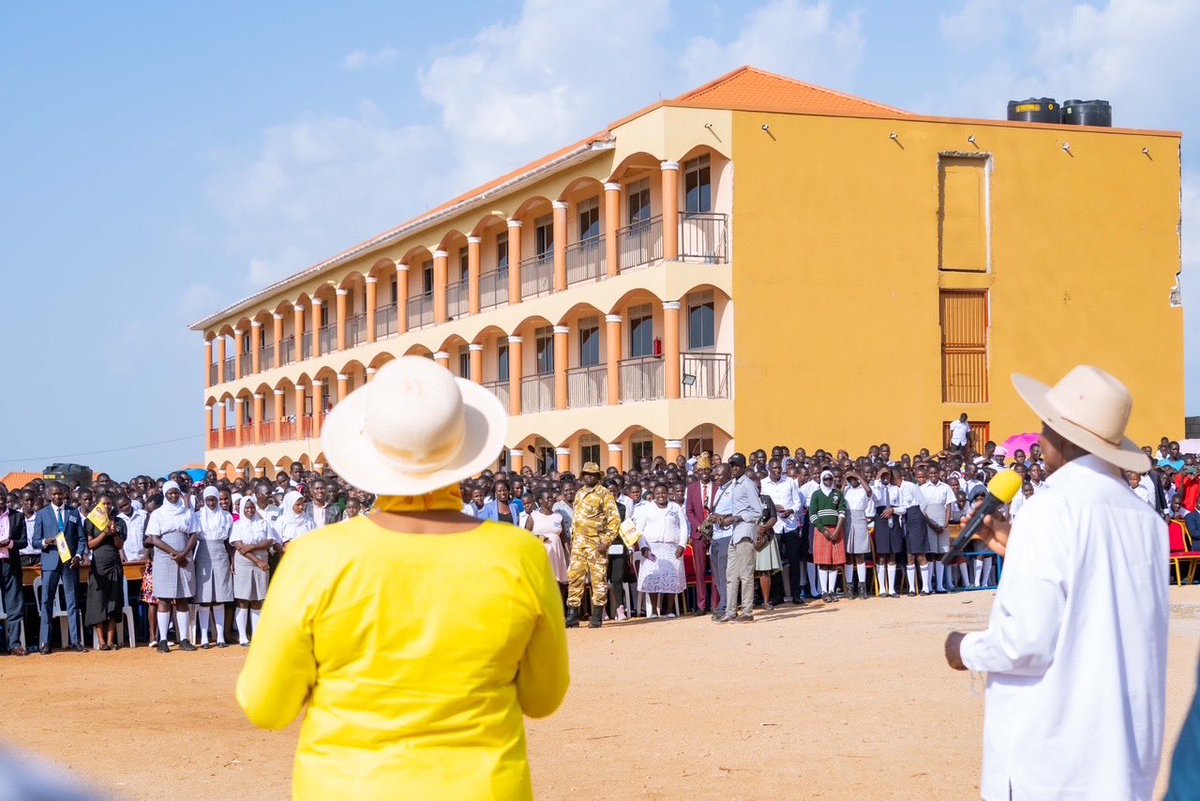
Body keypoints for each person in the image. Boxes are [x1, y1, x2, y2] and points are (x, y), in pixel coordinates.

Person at [236, 356, 568, 801]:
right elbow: (543, 697)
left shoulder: (314, 558)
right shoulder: (520, 555)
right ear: (464, 444)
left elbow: (267, 705)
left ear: (369, 451)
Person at [944, 366, 1169, 801]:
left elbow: (1025, 643)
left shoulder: (1051, 508)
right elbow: (1099, 600)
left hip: (1053, 765)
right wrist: (1019, 550)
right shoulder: (1146, 521)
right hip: (1123, 763)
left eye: (1045, 424)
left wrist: (962, 649)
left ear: (1061, 437)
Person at [144, 480, 200, 653]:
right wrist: (174, 553)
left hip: (184, 556)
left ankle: (183, 639)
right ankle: (162, 640)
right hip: (165, 557)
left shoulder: (188, 513)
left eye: (176, 493)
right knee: (164, 599)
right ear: (165, 495)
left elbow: (194, 535)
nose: (174, 496)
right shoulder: (158, 514)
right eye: (170, 493)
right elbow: (153, 538)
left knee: (183, 598)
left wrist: (183, 554)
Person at [31, 481, 87, 653]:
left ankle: (76, 641)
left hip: (70, 562)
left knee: (72, 601)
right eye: (54, 494)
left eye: (60, 494)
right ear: (48, 495)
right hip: (50, 561)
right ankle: (45, 643)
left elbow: (81, 539)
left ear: (65, 494)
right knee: (47, 601)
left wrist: (78, 555)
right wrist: (45, 542)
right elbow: (34, 541)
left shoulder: (73, 512)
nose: (57, 496)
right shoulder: (42, 514)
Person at [566, 462, 621, 629]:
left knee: (598, 579)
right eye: (586, 474)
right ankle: (573, 616)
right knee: (575, 578)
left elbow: (614, 519)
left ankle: (597, 616)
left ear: (598, 476)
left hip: (596, 544)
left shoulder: (604, 494)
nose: (589, 477)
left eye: (592, 474)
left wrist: (606, 541)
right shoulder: (580, 493)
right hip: (579, 544)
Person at [715, 454, 762, 623]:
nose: (734, 468)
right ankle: (730, 611)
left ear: (743, 466)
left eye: (737, 465)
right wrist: (727, 517)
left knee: (746, 574)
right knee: (731, 574)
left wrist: (736, 518)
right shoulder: (734, 484)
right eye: (732, 465)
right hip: (735, 534)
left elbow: (758, 511)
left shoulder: (748, 485)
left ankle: (748, 612)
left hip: (745, 532)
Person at [632, 483, 688, 617]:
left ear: (667, 494)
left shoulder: (675, 507)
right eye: (658, 493)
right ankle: (654, 612)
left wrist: (682, 544)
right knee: (653, 579)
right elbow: (639, 530)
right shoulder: (646, 509)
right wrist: (643, 547)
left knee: (671, 579)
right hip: (652, 548)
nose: (661, 495)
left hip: (672, 548)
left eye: (663, 493)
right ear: (653, 495)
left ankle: (669, 610)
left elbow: (684, 527)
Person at [230, 496, 278, 646]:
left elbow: (269, 541)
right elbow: (239, 546)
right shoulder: (237, 525)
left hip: (261, 561)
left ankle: (256, 635)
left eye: (252, 507)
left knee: (258, 598)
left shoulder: (263, 523)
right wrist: (257, 561)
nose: (250, 510)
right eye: (247, 508)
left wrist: (252, 547)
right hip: (245, 563)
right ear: (242, 509)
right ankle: (243, 636)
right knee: (243, 599)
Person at [83, 494, 126, 650]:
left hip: (114, 563)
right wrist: (104, 534)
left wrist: (114, 533)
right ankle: (101, 641)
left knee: (113, 603)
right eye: (104, 504)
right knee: (98, 602)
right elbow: (90, 544)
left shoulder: (119, 521)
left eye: (109, 504)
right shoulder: (90, 521)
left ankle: (110, 640)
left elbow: (120, 545)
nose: (107, 506)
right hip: (98, 566)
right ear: (97, 505)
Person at [194, 486, 234, 648]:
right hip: (203, 552)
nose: (211, 503)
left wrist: (232, 560)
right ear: (204, 500)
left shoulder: (227, 516)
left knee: (220, 597)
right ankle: (204, 636)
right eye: (208, 500)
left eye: (214, 500)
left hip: (221, 554)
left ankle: (220, 637)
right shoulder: (197, 516)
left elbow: (229, 541)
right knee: (204, 598)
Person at [761, 460, 804, 605]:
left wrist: (790, 510)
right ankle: (777, 596)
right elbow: (762, 504)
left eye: (779, 468)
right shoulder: (763, 484)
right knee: (776, 563)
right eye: (774, 468)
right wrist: (774, 509)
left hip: (790, 526)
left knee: (794, 562)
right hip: (775, 527)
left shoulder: (790, 482)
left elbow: (798, 503)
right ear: (769, 469)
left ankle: (796, 595)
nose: (777, 471)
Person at [809, 470, 848, 602]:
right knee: (823, 562)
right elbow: (813, 515)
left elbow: (842, 512)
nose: (828, 481)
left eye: (830, 479)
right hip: (822, 531)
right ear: (821, 479)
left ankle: (831, 590)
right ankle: (824, 591)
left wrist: (837, 531)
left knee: (834, 562)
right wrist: (823, 530)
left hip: (836, 530)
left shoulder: (838, 493)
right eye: (825, 479)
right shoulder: (816, 494)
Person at [684, 454, 715, 615]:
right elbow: (689, 511)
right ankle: (702, 605)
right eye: (701, 470)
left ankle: (716, 604)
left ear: (711, 471)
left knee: (717, 570)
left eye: (707, 470)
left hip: (716, 533)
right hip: (698, 534)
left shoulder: (717, 487)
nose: (704, 472)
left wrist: (711, 524)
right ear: (697, 472)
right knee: (700, 572)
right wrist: (699, 526)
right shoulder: (692, 488)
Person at [524, 490, 568, 595]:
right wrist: (540, 538)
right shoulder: (534, 516)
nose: (550, 500)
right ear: (540, 501)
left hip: (557, 555)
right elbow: (525, 536)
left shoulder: (558, 517)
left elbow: (564, 539)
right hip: (541, 554)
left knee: (558, 584)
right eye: (547, 498)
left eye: (551, 497)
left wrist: (569, 554)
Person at [0, 493, 28, 655]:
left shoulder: (17, 516)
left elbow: (23, 541)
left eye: (2, 495)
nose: (1, 498)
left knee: (14, 605)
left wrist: (10, 543)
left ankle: (15, 644)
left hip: (10, 565)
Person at [842, 470, 873, 598]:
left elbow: (869, 492)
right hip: (847, 520)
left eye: (853, 478)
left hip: (860, 519)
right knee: (849, 556)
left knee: (860, 555)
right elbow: (838, 496)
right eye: (850, 479)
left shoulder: (862, 489)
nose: (852, 480)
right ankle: (849, 586)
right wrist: (845, 480)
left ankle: (862, 586)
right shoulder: (846, 490)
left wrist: (858, 476)